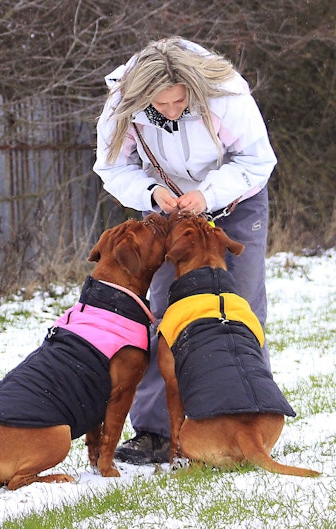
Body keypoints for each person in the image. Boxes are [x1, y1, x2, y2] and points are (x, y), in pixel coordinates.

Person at [93, 36, 277, 465]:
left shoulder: (226, 93)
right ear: (141, 94)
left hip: (234, 201)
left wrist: (207, 195)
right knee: (162, 314)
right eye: (163, 104)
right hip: (165, 210)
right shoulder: (122, 104)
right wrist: (151, 190)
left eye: (180, 102)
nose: (173, 111)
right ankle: (156, 432)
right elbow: (112, 166)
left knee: (241, 307)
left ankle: (249, 422)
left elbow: (256, 160)